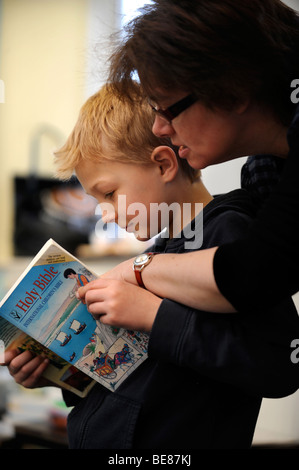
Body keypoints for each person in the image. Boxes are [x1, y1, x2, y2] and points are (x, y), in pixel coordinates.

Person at [4, 84, 299, 449]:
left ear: (163, 163)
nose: (105, 213)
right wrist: (63, 376)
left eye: (109, 193)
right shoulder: (157, 253)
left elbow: (278, 364)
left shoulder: (229, 235)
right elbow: (146, 379)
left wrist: (154, 316)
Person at [101, 0, 299, 318]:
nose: (159, 127)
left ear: (234, 89)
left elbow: (256, 273)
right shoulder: (264, 174)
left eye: (166, 108)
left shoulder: (228, 225)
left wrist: (137, 270)